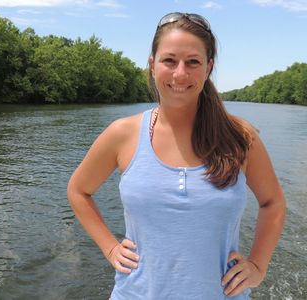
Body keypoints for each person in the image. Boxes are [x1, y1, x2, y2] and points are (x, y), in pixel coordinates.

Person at [67, 12, 286, 299]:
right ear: (152, 65)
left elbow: (273, 203)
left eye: (193, 62)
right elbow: (79, 191)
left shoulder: (239, 138)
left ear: (208, 68)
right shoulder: (122, 134)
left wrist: (257, 265)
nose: (180, 74)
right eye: (169, 60)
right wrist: (110, 247)